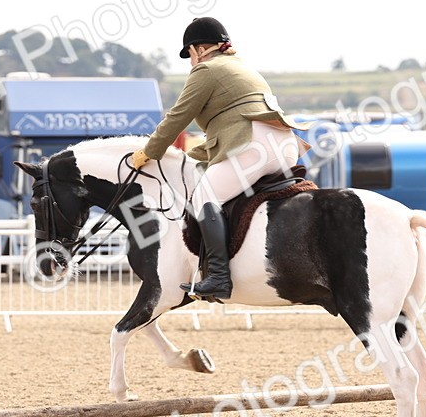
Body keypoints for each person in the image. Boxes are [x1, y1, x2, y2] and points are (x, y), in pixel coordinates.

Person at [130, 17, 308, 300]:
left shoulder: (206, 71)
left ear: (199, 49)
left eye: (189, 55)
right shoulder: (243, 68)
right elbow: (223, 135)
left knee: (205, 196)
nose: (190, 62)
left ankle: (218, 277)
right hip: (284, 145)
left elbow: (177, 118)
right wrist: (184, 156)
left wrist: (148, 152)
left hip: (253, 145)